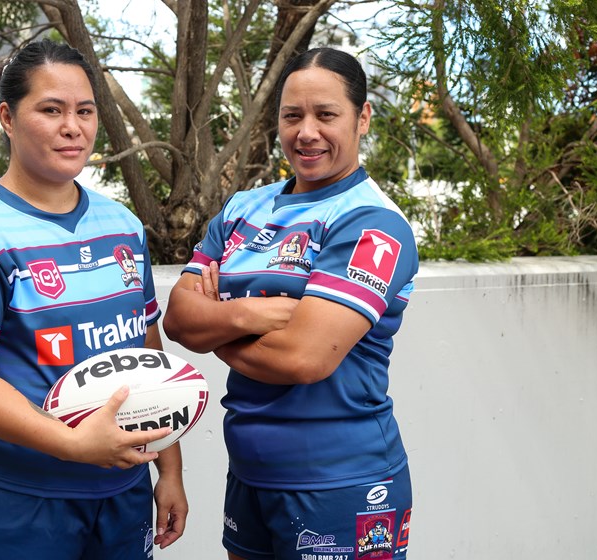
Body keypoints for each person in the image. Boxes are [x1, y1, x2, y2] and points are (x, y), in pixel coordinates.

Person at [0, 39, 187, 560]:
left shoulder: (123, 226)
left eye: (85, 111)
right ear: (7, 116)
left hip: (121, 494)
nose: (73, 127)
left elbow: (149, 358)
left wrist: (169, 469)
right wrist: (72, 444)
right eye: (51, 109)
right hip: (12, 499)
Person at [163, 47, 418, 560]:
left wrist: (214, 331)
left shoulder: (371, 223)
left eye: (326, 115)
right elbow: (177, 319)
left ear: (362, 117)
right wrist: (248, 316)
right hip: (251, 474)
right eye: (292, 115)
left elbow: (302, 359)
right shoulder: (244, 207)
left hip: (340, 482)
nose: (307, 132)